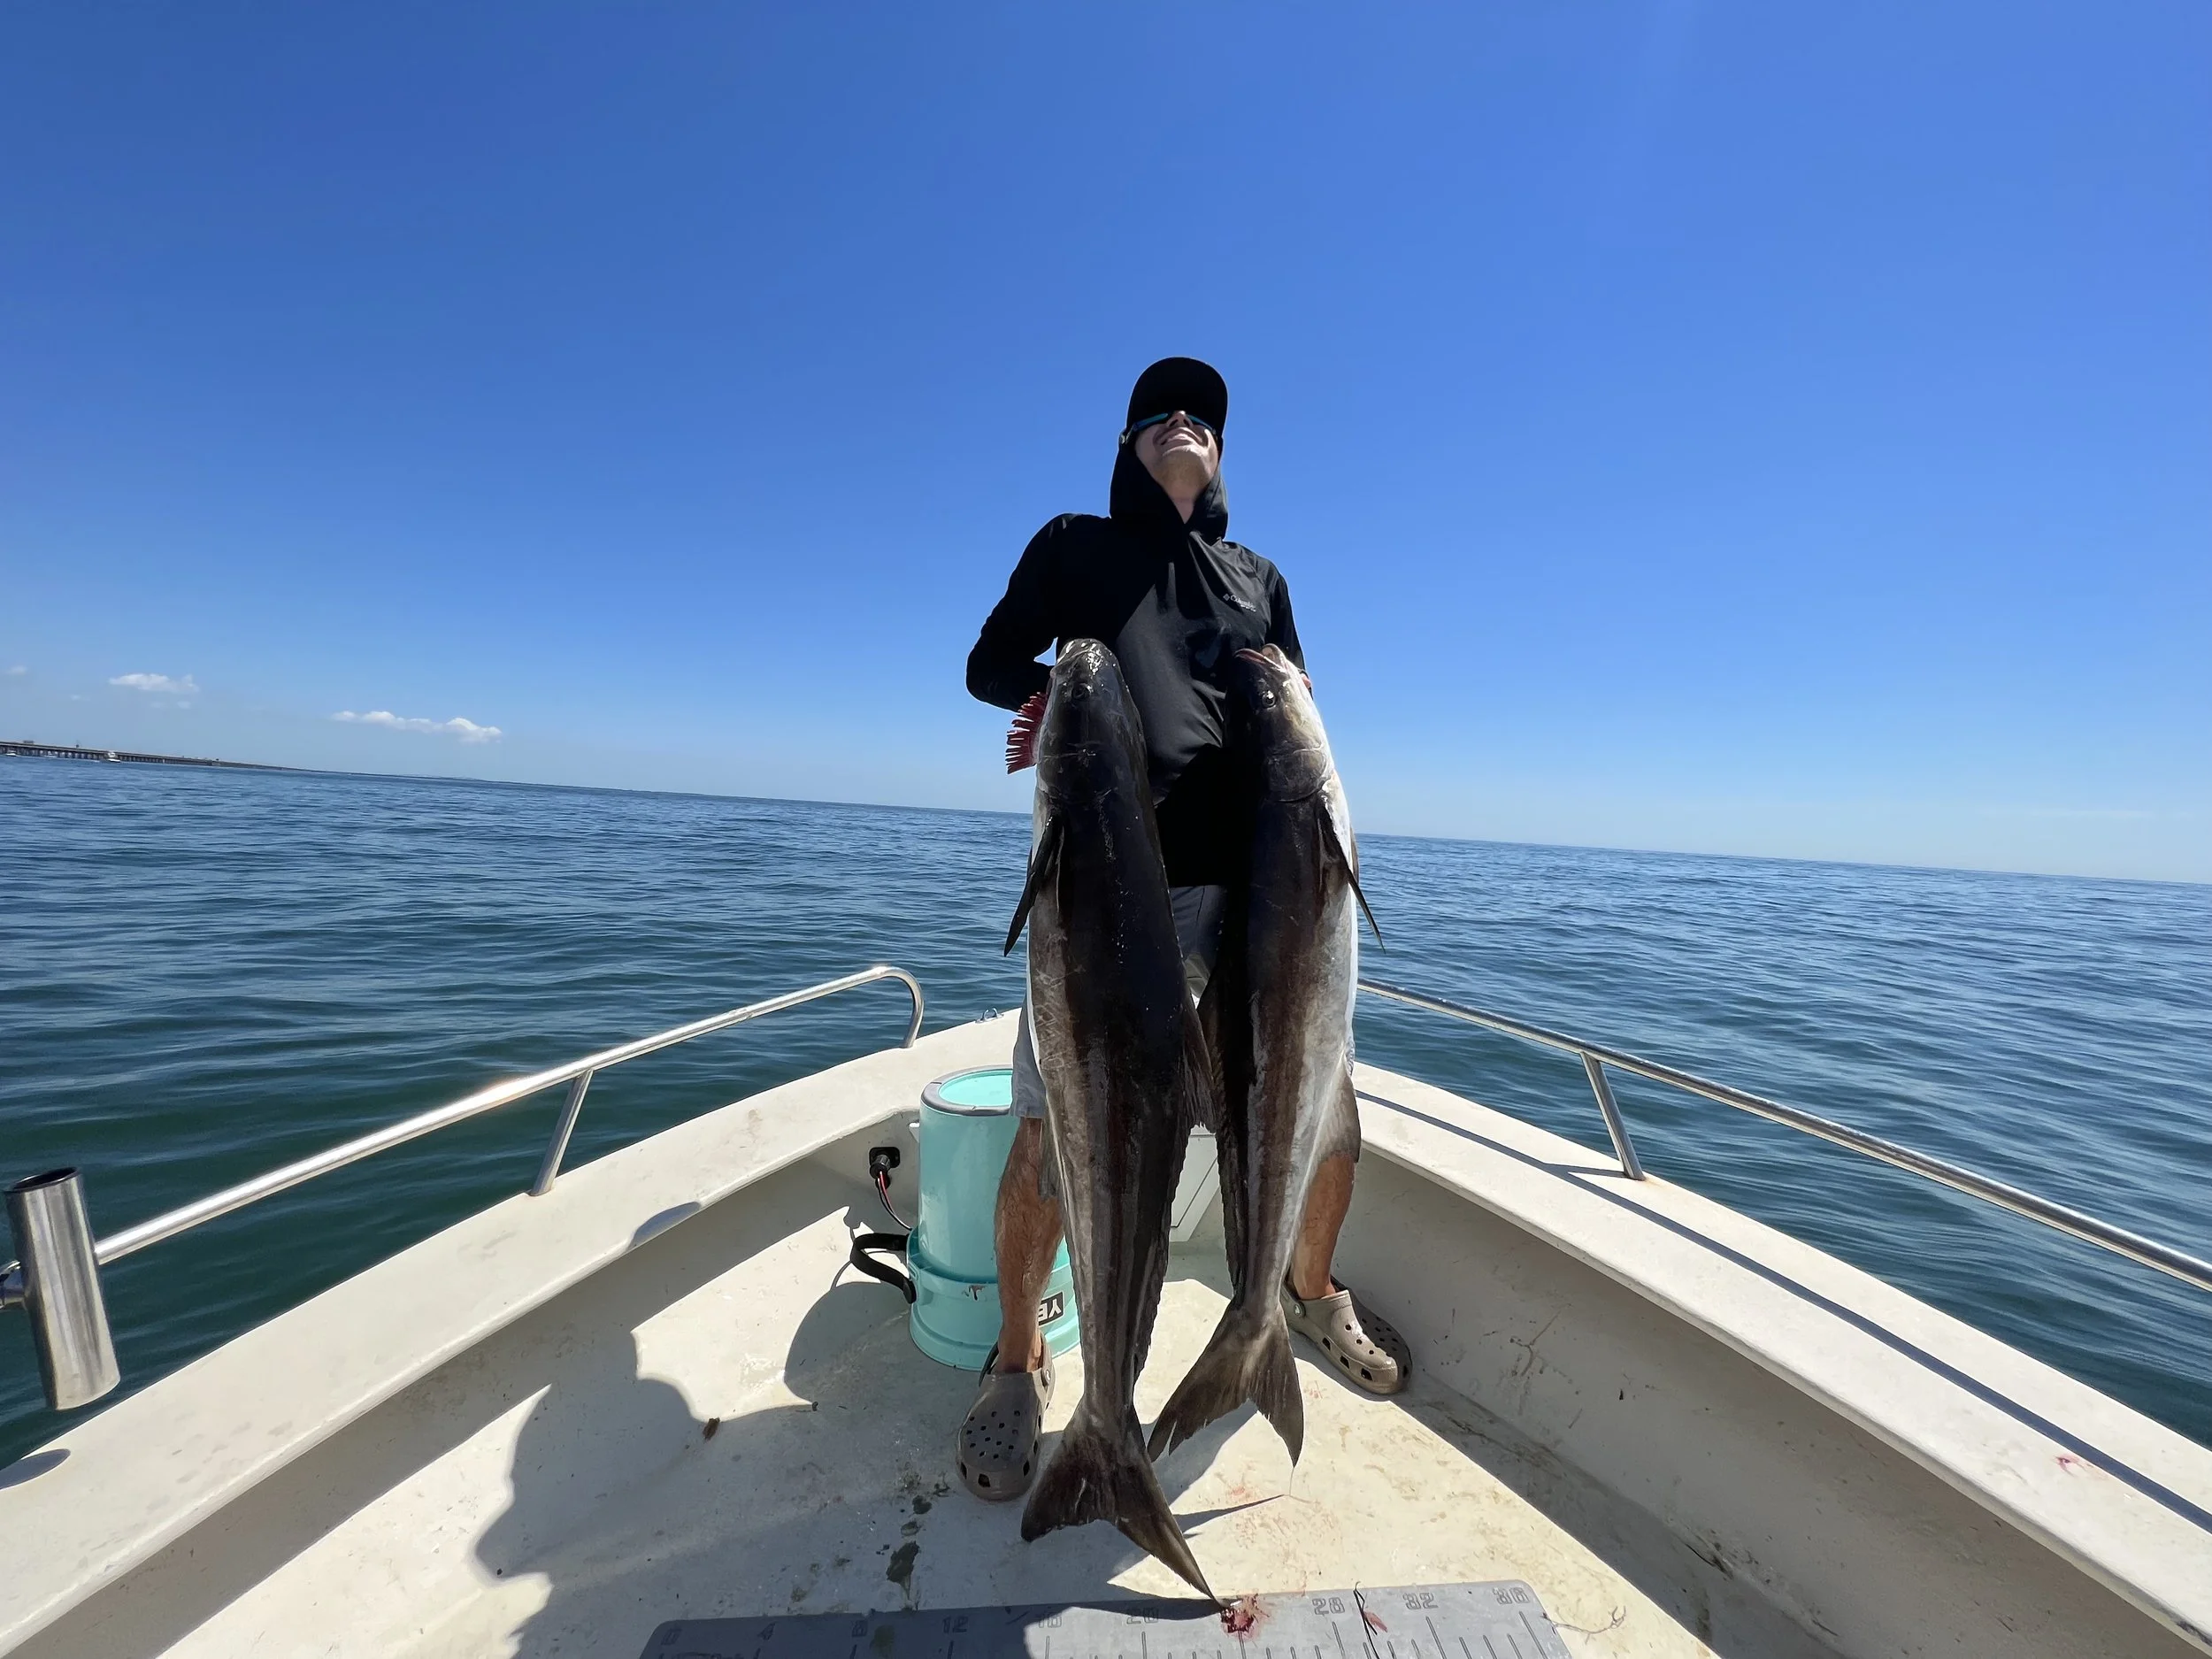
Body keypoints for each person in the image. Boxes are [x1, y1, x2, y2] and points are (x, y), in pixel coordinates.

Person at [955, 357, 1409, 1502]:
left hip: (1257, 898)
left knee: (1325, 1124)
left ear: (1221, 453)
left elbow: (1292, 704)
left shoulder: (1259, 576)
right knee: (1055, 1139)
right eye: (1160, 413)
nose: (1184, 426)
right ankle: (1019, 1360)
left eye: (1202, 417)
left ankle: (1297, 1302)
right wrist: (1045, 697)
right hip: (1109, 892)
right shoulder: (1075, 548)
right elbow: (989, 662)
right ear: (1125, 441)